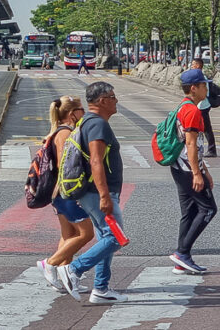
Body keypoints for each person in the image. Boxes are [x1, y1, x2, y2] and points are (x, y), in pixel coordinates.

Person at [57, 81, 128, 304]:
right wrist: (105, 195)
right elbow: (96, 160)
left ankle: (101, 289)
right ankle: (74, 270)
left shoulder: (88, 121)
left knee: (105, 237)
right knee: (116, 238)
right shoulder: (97, 124)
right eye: (113, 97)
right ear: (102, 101)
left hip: (90, 191)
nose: (116, 101)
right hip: (96, 192)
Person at [38, 96, 93, 292]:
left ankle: (64, 276)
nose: (84, 113)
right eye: (81, 110)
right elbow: (66, 165)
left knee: (68, 234)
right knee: (86, 233)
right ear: (72, 114)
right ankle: (50, 263)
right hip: (65, 191)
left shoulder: (58, 132)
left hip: (57, 192)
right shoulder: (65, 133)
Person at [168, 68, 218, 275]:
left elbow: (193, 147)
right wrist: (198, 173)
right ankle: (182, 253)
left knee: (188, 213)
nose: (207, 88)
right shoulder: (192, 111)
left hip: (179, 167)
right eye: (204, 85)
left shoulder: (183, 107)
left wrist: (204, 170)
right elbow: (191, 144)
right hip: (188, 170)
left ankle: (182, 261)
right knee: (208, 209)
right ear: (193, 88)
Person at [190, 58, 217, 157]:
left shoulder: (202, 78)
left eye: (193, 64)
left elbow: (205, 93)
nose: (191, 66)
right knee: (197, 128)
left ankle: (212, 150)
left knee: (206, 129)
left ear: (198, 66)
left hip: (203, 106)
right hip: (198, 106)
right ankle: (197, 147)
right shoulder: (196, 77)